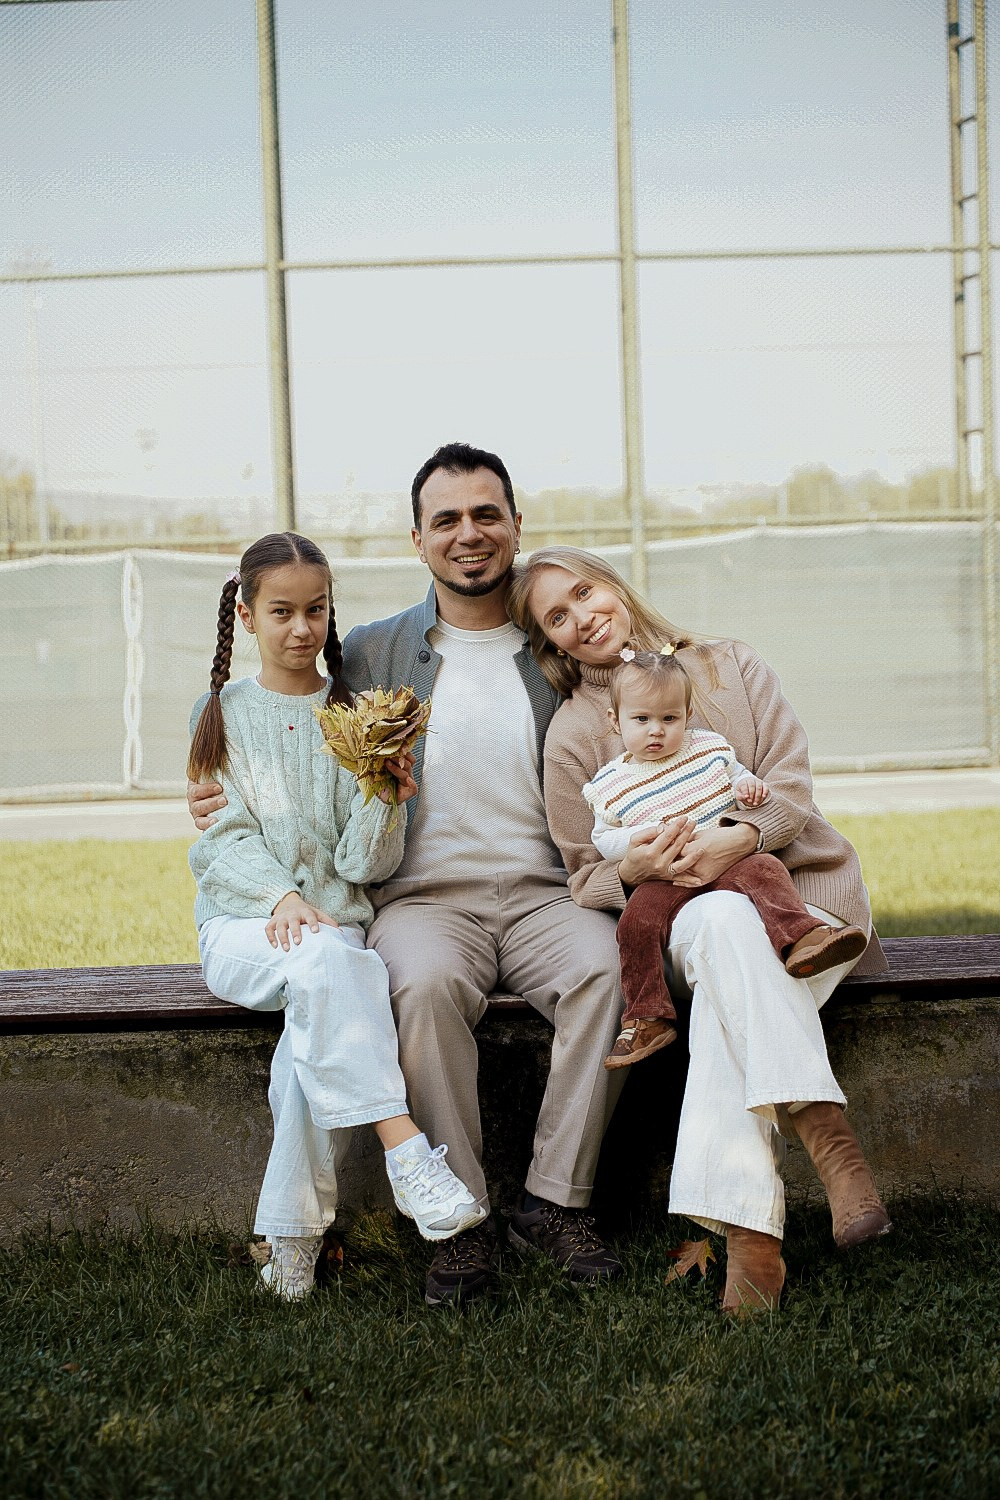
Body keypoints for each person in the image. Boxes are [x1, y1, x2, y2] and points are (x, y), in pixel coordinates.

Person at [188, 447, 625, 1307]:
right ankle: (460, 1222)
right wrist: (211, 788)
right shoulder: (372, 653)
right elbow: (292, 724)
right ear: (418, 539)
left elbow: (650, 691)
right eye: (447, 519)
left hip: (547, 892)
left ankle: (554, 1202)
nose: (470, 534)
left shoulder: (557, 639)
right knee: (417, 989)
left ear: (516, 525)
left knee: (607, 971)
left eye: (486, 514)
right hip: (423, 899)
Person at [506, 545, 893, 1315]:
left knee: (727, 972)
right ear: (549, 641)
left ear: (612, 583)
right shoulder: (575, 735)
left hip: (803, 911)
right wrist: (633, 867)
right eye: (557, 616)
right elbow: (584, 870)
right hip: (682, 921)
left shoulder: (731, 665)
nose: (583, 617)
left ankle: (753, 1244)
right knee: (717, 921)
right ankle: (828, 1137)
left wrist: (739, 837)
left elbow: (789, 785)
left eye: (584, 591)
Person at [187, 531, 484, 1301]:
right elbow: (220, 840)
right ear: (246, 616)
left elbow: (364, 868)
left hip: (334, 937)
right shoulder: (220, 713)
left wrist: (385, 799)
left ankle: (290, 1251)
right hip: (246, 929)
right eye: (281, 612)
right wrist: (281, 899)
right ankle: (406, 1147)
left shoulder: (357, 715)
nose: (301, 628)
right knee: (327, 961)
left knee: (306, 1051)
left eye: (315, 610)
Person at [586, 645, 868, 1070]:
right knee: (636, 923)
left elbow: (739, 779)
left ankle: (803, 938)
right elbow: (603, 837)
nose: (656, 731)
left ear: (687, 715)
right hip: (667, 874)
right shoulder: (610, 783)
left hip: (727, 858)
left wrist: (748, 790)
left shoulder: (707, 750)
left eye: (669, 719)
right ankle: (647, 1015)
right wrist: (637, 844)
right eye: (641, 720)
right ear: (615, 721)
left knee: (767, 869)